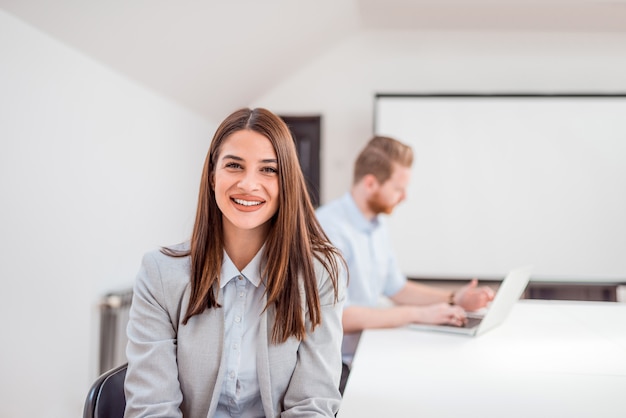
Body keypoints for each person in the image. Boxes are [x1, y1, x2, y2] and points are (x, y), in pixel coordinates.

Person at [124, 108, 346, 417]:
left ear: (287, 183)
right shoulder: (160, 273)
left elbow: (312, 403)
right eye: (234, 165)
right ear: (213, 176)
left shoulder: (318, 274)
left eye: (268, 170)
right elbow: (152, 408)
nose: (248, 184)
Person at [315, 135, 495, 392]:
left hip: (371, 352)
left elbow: (396, 287)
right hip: (336, 368)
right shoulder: (327, 229)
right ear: (370, 183)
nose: (404, 197)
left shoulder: (376, 225)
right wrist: (421, 314)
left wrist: (455, 298)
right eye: (398, 189)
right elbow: (337, 316)